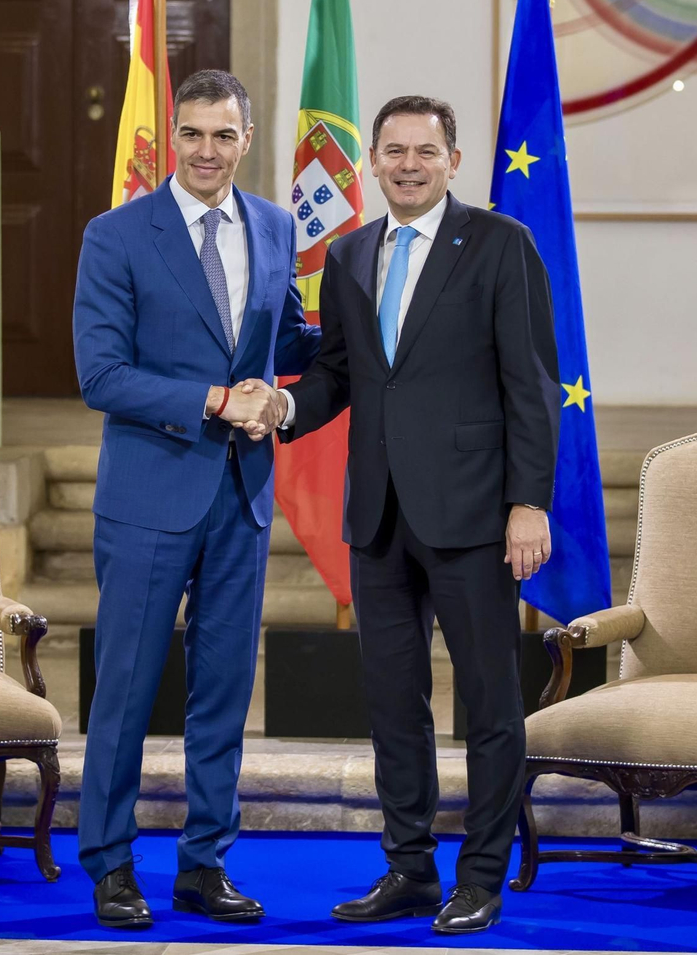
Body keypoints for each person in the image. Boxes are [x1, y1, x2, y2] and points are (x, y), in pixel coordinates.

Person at [274, 95, 562, 934]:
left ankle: (481, 875)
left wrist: (529, 501)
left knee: (489, 701)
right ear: (372, 161)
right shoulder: (353, 252)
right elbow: (340, 374)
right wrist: (284, 408)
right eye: (393, 150)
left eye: (424, 151)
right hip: (380, 517)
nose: (407, 164)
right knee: (392, 701)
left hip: (476, 514)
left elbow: (532, 386)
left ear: (453, 161)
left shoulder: (502, 245)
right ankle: (407, 866)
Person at [72, 69, 318, 928]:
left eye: (223, 135)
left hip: (241, 496)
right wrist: (215, 402)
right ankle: (108, 864)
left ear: (246, 140)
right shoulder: (116, 235)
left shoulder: (277, 226)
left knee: (221, 692)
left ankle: (204, 864)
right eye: (192, 135)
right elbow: (100, 374)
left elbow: (285, 336)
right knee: (127, 691)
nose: (206, 151)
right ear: (170, 139)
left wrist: (384, 331)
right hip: (148, 497)